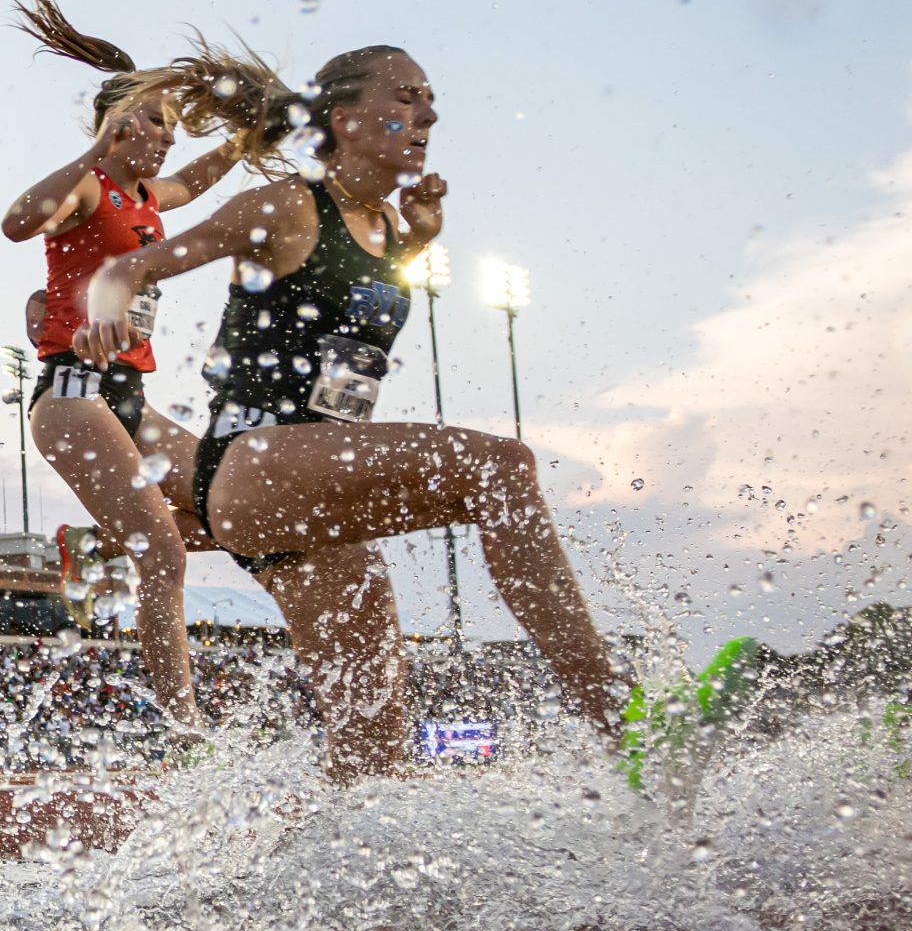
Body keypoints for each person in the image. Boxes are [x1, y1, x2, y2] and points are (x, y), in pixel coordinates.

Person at [75, 40, 623, 777]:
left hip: (315, 498)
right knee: (500, 467)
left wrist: (421, 236)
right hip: (257, 462)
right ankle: (616, 713)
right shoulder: (288, 207)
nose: (427, 111)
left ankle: (311, 881)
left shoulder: (393, 232)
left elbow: (353, 325)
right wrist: (113, 317)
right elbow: (129, 265)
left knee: (375, 753)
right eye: (404, 97)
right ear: (346, 118)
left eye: (428, 97)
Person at [0, 0, 238, 719]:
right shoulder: (86, 185)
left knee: (235, 507)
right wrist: (92, 148)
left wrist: (246, 141)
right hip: (73, 396)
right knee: (163, 556)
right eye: (158, 122)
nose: (169, 138)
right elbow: (14, 223)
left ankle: (95, 540)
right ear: (118, 123)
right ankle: (186, 731)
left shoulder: (143, 196)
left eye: (172, 126)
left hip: (130, 398)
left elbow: (193, 181)